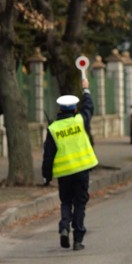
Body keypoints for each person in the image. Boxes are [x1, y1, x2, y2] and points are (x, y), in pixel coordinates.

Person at [42, 78, 97, 251]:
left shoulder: (54, 129)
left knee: (66, 202)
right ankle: (78, 240)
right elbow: (89, 108)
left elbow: (48, 155)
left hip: (64, 173)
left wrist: (46, 175)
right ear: (74, 109)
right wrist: (86, 90)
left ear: (60, 109)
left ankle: (64, 226)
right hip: (82, 170)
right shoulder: (80, 121)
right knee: (80, 203)